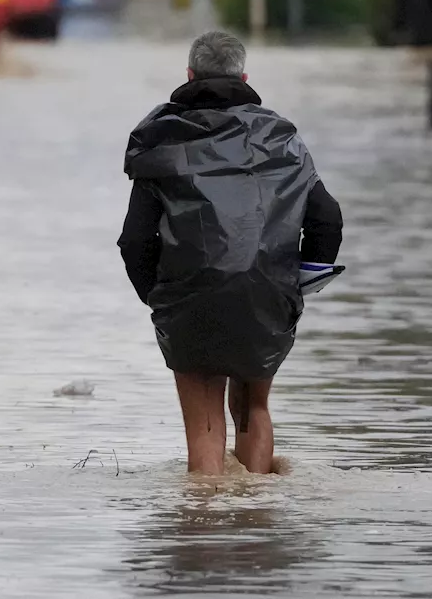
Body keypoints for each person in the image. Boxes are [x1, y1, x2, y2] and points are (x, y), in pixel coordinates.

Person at [118, 31, 344, 476]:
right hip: (266, 295)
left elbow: (135, 240)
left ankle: (205, 525)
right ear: (244, 76)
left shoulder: (162, 140)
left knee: (204, 427)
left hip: (189, 300)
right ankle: (255, 523)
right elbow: (327, 218)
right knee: (252, 408)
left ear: (188, 76)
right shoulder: (283, 140)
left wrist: (159, 296)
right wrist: (298, 283)